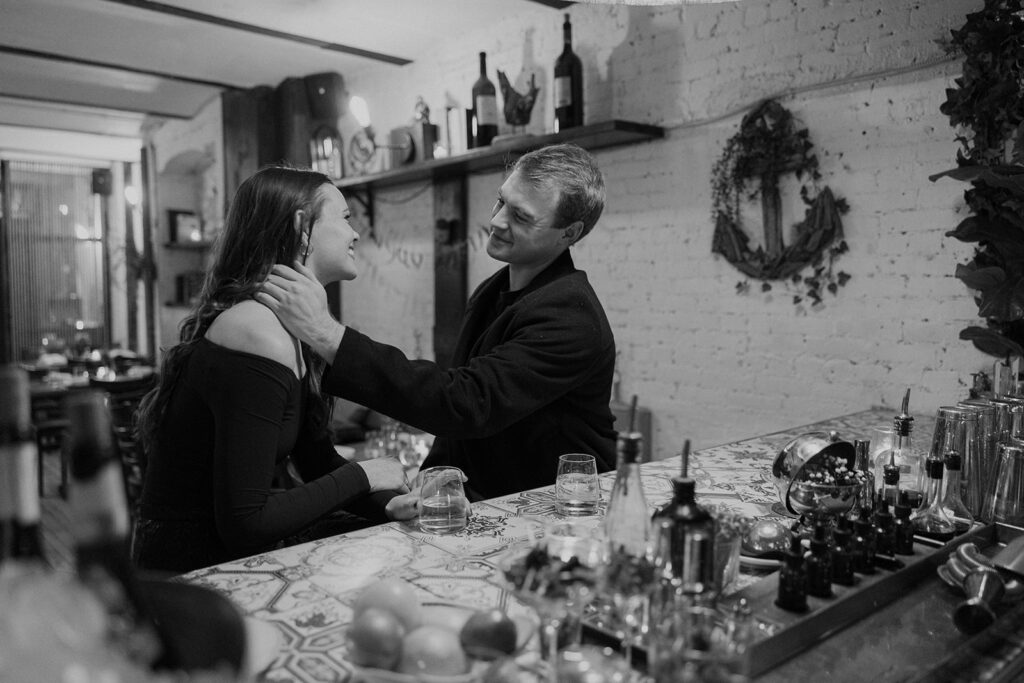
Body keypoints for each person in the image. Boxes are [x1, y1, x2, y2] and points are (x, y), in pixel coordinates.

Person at [257, 143, 617, 501]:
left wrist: (329, 334)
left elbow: (467, 403)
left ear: (569, 233)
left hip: (561, 509)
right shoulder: (494, 290)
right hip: (494, 501)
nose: (496, 220)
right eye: (501, 201)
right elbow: (458, 413)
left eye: (521, 217)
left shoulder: (571, 314)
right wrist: (434, 471)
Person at [132, 166, 417, 574]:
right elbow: (247, 522)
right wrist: (365, 475)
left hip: (227, 562)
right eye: (345, 218)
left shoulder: (290, 326)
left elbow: (316, 460)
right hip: (186, 575)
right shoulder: (256, 329)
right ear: (302, 227)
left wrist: (385, 503)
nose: (355, 234)